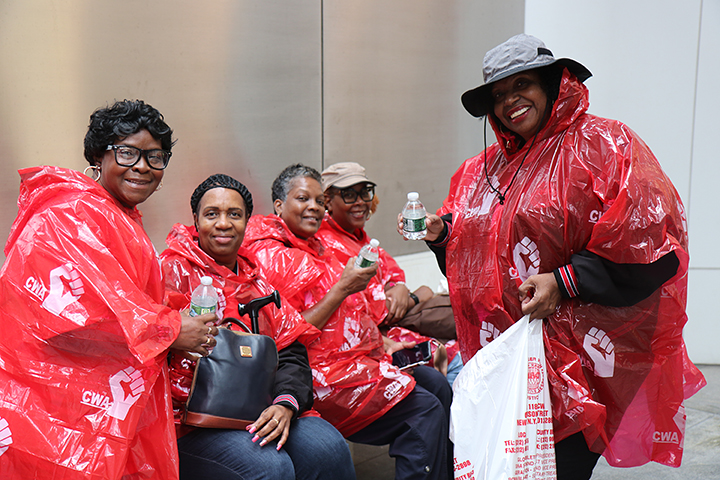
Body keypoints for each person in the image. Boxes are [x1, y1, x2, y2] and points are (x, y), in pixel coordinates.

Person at [412, 34, 706, 479]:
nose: (510, 101)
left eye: (522, 85)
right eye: (498, 95)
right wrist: (444, 237)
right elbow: (478, 259)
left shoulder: (606, 144)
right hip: (506, 360)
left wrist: (565, 280)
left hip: (579, 364)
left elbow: (654, 245)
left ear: (552, 84)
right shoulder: (482, 170)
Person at [0, 100, 216, 479]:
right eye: (127, 153)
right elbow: (74, 314)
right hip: (60, 408)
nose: (143, 166)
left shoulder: (116, 215)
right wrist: (171, 329)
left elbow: (124, 299)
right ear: (98, 156)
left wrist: (173, 320)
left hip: (96, 403)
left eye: (155, 157)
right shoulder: (71, 214)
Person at [244, 164, 452, 480]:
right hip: (319, 374)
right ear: (279, 205)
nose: (314, 207)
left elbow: (356, 313)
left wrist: (384, 343)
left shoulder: (317, 245)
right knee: (424, 410)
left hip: (357, 358)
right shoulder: (273, 255)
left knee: (437, 385)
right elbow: (288, 335)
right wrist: (343, 288)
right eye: (303, 199)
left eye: (318, 201)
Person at [160, 173, 356, 480]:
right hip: (188, 421)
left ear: (247, 222)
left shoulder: (258, 283)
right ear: (196, 221)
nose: (223, 223)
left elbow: (290, 351)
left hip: (259, 406)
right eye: (211, 214)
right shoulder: (168, 273)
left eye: (234, 214)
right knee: (269, 466)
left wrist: (285, 404)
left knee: (327, 449)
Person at [317, 162, 462, 383]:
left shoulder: (358, 237)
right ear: (328, 200)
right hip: (366, 346)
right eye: (349, 195)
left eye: (365, 193)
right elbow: (376, 310)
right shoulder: (327, 244)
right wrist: (416, 296)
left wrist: (399, 287)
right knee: (455, 364)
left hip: (391, 332)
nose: (360, 202)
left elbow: (393, 274)